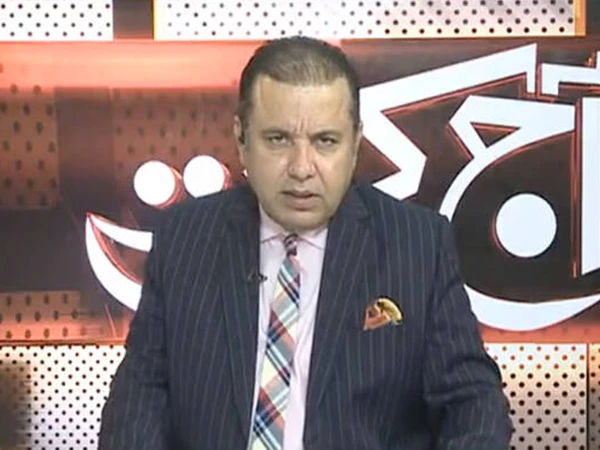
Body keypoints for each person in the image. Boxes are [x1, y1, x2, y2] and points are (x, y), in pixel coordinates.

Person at [98, 36, 512, 450]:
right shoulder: (186, 239)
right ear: (241, 139)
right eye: (278, 139)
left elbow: (473, 404)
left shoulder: (416, 245)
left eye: (325, 141)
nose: (301, 168)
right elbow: (140, 398)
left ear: (355, 144)